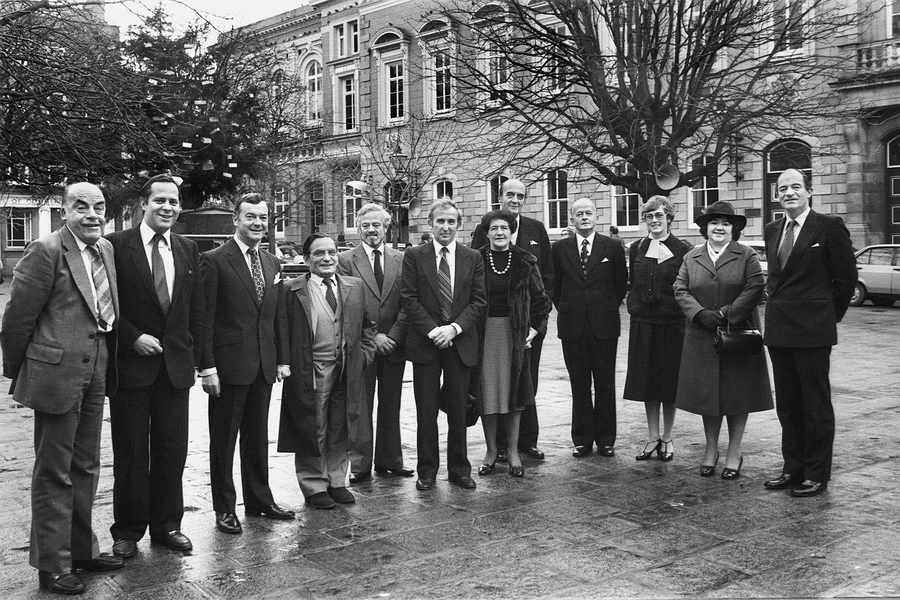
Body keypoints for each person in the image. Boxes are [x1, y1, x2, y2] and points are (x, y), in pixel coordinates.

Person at [1, 182, 124, 595]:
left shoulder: (104, 249)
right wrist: (18, 371)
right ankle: (52, 565)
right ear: (64, 210)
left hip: (95, 371)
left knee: (86, 465)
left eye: (99, 207)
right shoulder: (47, 250)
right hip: (55, 374)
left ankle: (82, 549)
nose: (92, 215)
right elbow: (18, 317)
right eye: (81, 207)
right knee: (54, 471)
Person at [106, 175, 201, 558]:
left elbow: (194, 308)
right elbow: (103, 303)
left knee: (171, 449)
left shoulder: (187, 249)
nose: (168, 207)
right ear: (144, 204)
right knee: (130, 452)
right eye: (160, 200)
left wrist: (195, 355)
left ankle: (168, 525)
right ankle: (127, 530)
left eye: (174, 202)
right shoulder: (115, 247)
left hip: (175, 368)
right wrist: (131, 337)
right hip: (132, 367)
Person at [199, 193, 293, 535]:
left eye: (262, 218)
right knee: (223, 441)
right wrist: (206, 367)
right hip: (227, 368)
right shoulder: (214, 260)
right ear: (235, 220)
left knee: (257, 437)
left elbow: (277, 315)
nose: (257, 223)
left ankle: (260, 500)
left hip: (263, 366)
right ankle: (224, 508)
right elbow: (204, 318)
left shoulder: (271, 262)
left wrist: (282, 358)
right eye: (250, 217)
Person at [762, 168, 857, 497]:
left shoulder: (828, 227)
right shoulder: (773, 229)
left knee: (815, 403)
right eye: (783, 188)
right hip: (779, 330)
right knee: (787, 404)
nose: (789, 192)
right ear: (777, 195)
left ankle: (817, 472)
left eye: (795, 187)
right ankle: (793, 467)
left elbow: (845, 278)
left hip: (813, 331)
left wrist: (828, 317)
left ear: (809, 192)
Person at [277, 233, 377, 509]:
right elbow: (282, 328)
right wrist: (285, 363)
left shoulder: (353, 287)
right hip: (310, 369)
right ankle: (313, 483)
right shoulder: (293, 289)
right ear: (307, 258)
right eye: (319, 253)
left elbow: (368, 326)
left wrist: (364, 356)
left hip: (346, 367)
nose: (327, 258)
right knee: (312, 425)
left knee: (340, 423)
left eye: (331, 252)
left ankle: (336, 480)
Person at [674, 201, 773, 479]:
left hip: (738, 334)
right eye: (714, 222)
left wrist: (727, 313)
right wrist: (700, 313)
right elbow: (679, 288)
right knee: (709, 394)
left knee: (737, 394)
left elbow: (756, 286)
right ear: (705, 227)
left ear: (734, 229)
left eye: (726, 223)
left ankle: (734, 451)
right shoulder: (691, 257)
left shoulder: (747, 255)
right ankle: (710, 449)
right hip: (702, 335)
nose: (719, 227)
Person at [401, 198, 487, 491]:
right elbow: (409, 298)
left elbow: (478, 301)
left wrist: (453, 328)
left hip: (460, 342)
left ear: (458, 225)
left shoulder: (472, 257)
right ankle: (426, 471)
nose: (446, 227)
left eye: (451, 222)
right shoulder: (415, 256)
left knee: (459, 410)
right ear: (431, 224)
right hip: (426, 345)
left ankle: (459, 469)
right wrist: (433, 331)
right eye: (440, 221)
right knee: (426, 411)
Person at [471, 179, 553, 461]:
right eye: (510, 194)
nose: (515, 199)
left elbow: (546, 283)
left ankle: (524, 443)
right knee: (491, 388)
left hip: (522, 329)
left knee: (523, 384)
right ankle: (497, 448)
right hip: (488, 329)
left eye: (520, 195)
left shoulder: (535, 233)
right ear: (500, 197)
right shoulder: (480, 248)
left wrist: (534, 328)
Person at [337, 204, 413, 483]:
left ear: (386, 227)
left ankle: (391, 460)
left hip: (394, 343)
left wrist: (393, 335)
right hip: (362, 344)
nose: (372, 230)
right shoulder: (346, 260)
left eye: (377, 225)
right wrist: (374, 335)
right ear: (359, 228)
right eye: (366, 225)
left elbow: (408, 301)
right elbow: (348, 303)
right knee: (360, 404)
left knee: (391, 403)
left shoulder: (401, 258)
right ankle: (360, 465)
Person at [551, 198, 627, 458]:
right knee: (579, 385)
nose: (584, 217)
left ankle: (606, 438)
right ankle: (582, 438)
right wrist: (571, 308)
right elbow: (554, 286)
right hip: (572, 326)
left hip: (604, 326)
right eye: (579, 214)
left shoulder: (612, 247)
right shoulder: (560, 249)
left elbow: (620, 285)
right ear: (572, 219)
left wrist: (601, 307)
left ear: (597, 217)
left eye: (589, 213)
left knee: (605, 383)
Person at [624, 196, 692, 462]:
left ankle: (668, 436)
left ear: (669, 219)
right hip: (644, 325)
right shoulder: (638, 247)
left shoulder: (682, 248)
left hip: (671, 326)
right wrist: (635, 305)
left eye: (659, 216)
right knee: (646, 383)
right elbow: (633, 282)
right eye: (649, 216)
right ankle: (652, 437)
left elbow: (685, 286)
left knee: (668, 384)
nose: (654, 221)